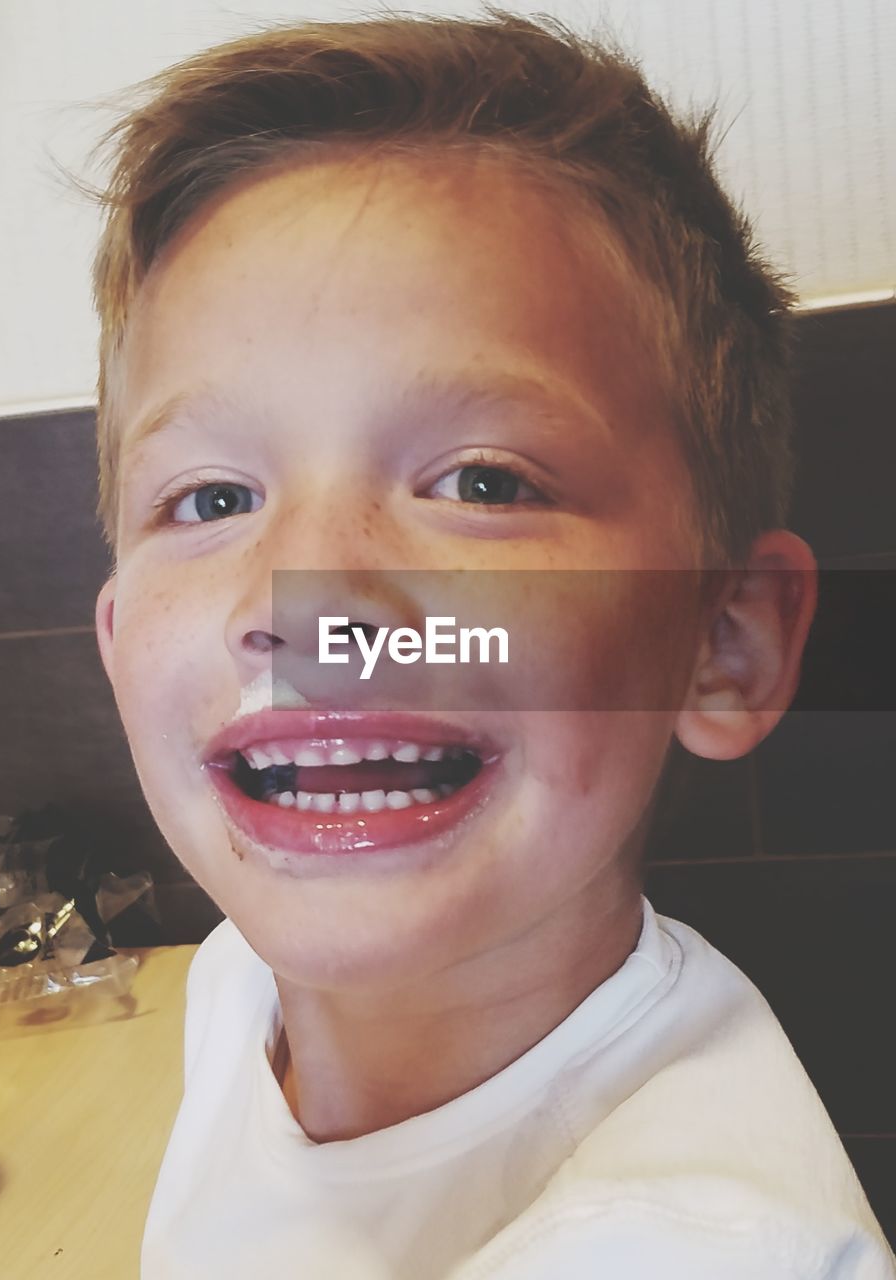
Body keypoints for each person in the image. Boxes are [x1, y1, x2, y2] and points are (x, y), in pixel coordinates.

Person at [89, 8, 895, 1277]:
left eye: (480, 482)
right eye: (211, 499)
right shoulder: (237, 979)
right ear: (118, 632)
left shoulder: (693, 1248)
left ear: (721, 643)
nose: (308, 602)